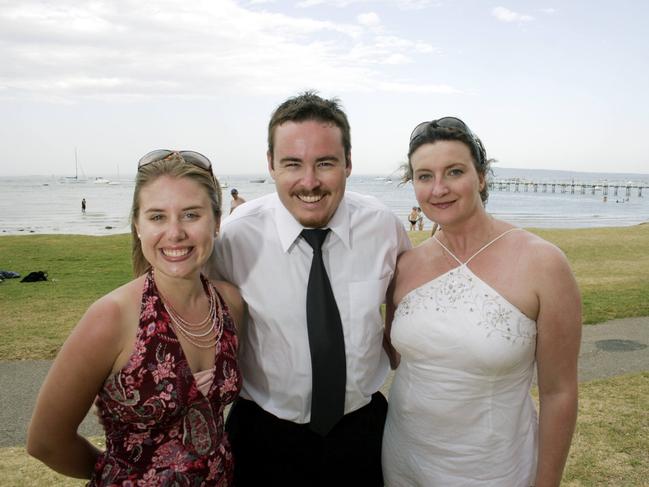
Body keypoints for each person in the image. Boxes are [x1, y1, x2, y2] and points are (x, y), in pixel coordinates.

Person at [206, 91, 411, 486]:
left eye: (325, 163)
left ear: (349, 163)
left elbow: (402, 315)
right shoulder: (234, 238)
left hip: (362, 434)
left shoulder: (384, 228)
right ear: (270, 165)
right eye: (292, 164)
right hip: (262, 436)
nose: (310, 182)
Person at [382, 117, 582, 486]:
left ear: (482, 176)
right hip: (403, 457)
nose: (438, 188)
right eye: (424, 176)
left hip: (493, 467)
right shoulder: (405, 265)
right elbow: (388, 354)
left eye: (454, 171)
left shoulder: (543, 263)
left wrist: (547, 481)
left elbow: (559, 392)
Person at [27, 150, 244, 485]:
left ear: (216, 222)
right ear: (137, 226)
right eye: (157, 217)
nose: (174, 233)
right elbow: (46, 441)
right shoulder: (111, 318)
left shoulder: (229, 303)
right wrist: (127, 474)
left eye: (190, 215)